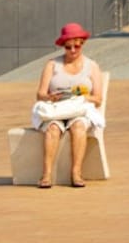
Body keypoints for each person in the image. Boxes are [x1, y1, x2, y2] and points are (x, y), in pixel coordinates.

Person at [31, 23, 105, 188]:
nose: (72, 50)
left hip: (80, 110)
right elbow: (40, 94)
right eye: (68, 47)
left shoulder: (91, 66)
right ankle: (46, 174)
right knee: (53, 128)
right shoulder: (52, 65)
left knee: (79, 126)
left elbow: (98, 98)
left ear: (82, 44)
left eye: (76, 46)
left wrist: (84, 97)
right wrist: (50, 96)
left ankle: (76, 173)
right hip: (56, 110)